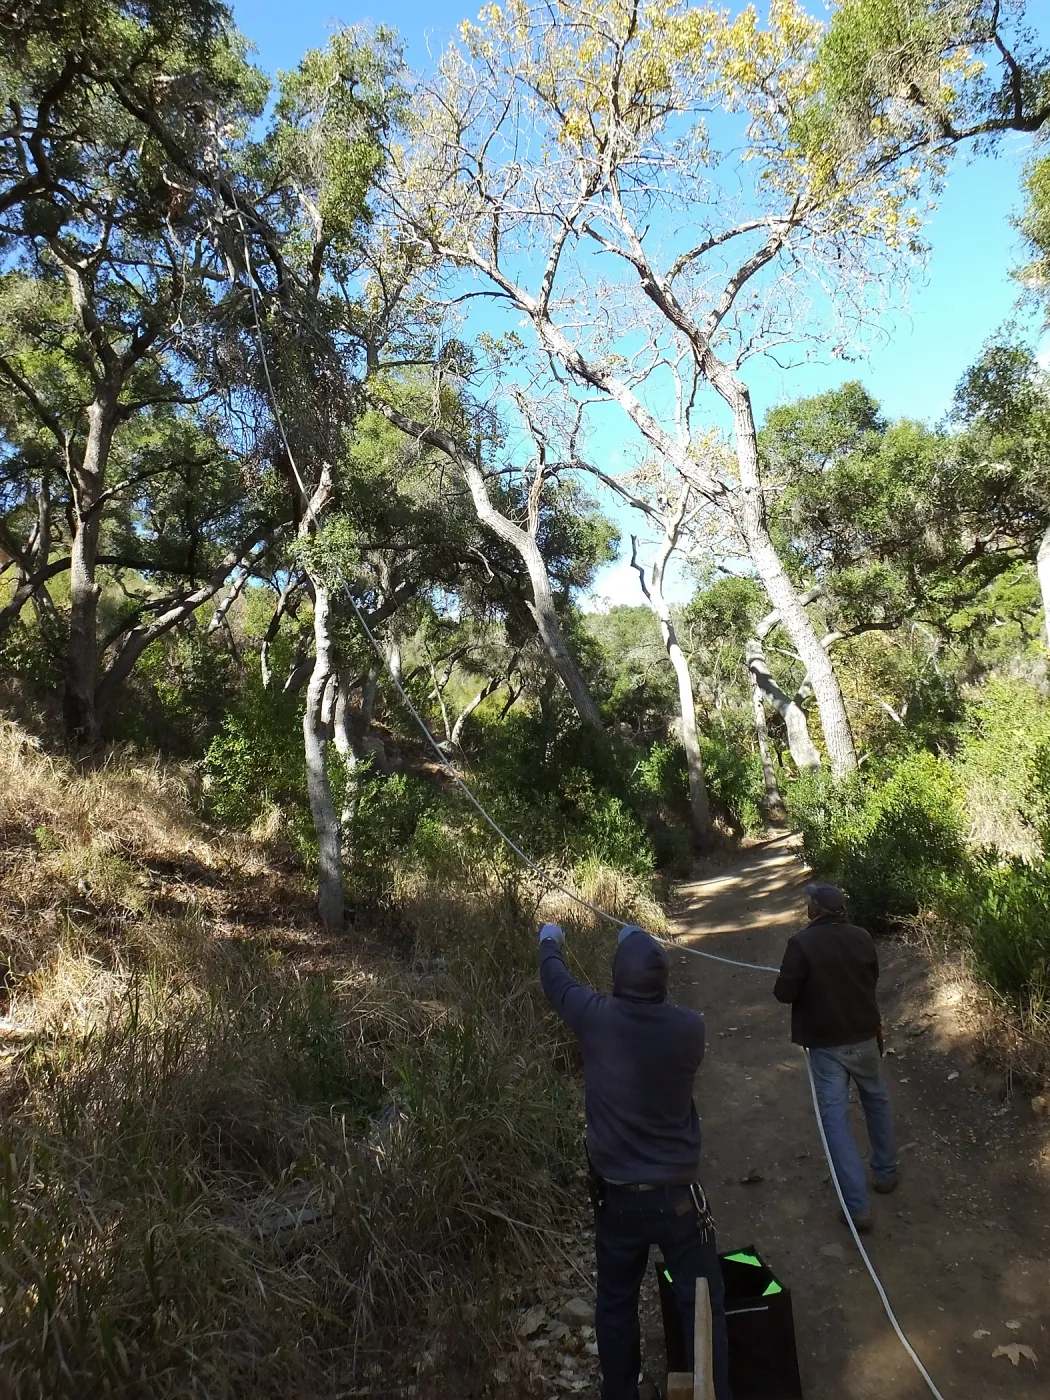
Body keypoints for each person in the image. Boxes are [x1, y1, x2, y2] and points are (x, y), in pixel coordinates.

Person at [538, 920, 732, 1400]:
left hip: (618, 1203)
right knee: (703, 1307)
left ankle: (621, 1392)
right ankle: (714, 1390)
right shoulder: (691, 1028)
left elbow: (555, 980)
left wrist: (549, 939)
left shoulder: (597, 1017)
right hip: (679, 1203)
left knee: (617, 1306)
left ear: (617, 977)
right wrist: (637, 942)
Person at [773, 882, 898, 1233]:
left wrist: (792, 978)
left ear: (818, 909)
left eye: (809, 901)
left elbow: (784, 994)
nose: (807, 905)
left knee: (836, 1122)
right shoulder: (862, 937)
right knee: (877, 1101)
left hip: (827, 1047)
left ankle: (857, 1208)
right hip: (865, 1037)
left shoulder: (801, 944)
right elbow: (871, 977)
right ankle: (886, 1174)